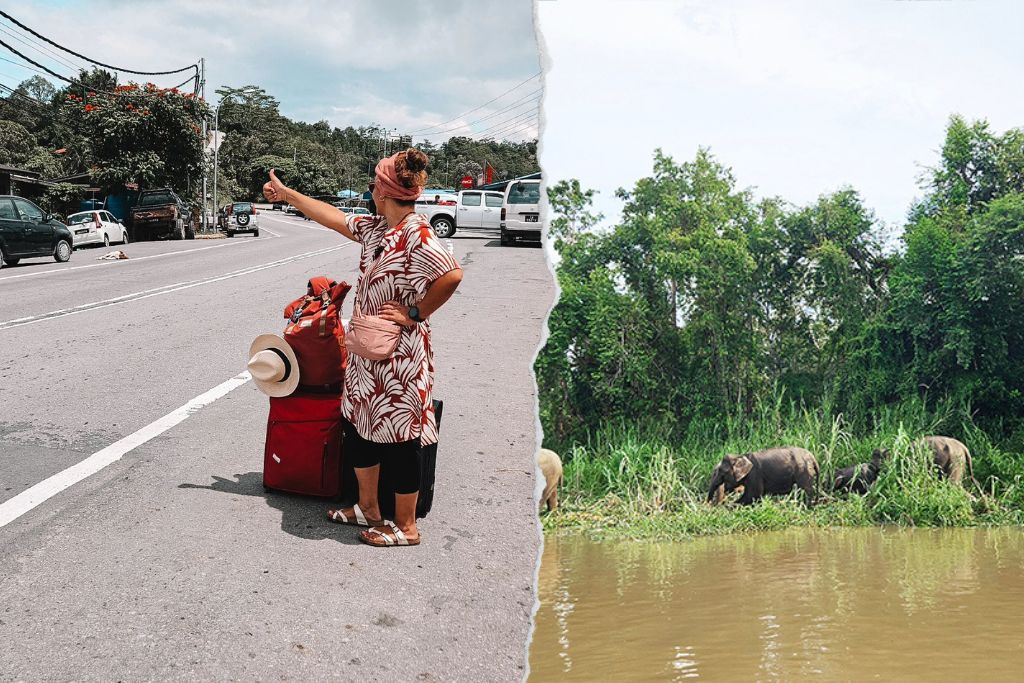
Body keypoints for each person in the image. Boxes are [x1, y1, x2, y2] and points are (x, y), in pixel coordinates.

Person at [262, 148, 463, 548]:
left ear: (384, 191)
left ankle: (406, 527)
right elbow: (331, 216)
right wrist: (288, 195)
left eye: (374, 183)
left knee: (402, 440)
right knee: (360, 431)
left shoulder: (417, 235)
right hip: (365, 358)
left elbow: (452, 275)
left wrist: (416, 311)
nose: (371, 188)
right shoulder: (376, 229)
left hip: (399, 360)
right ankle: (367, 508)